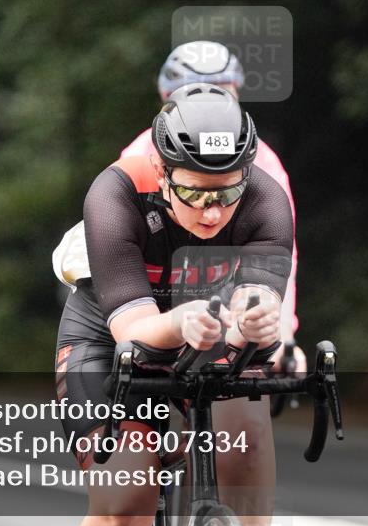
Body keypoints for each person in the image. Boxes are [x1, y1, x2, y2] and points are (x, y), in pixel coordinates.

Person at [55, 85, 292, 526]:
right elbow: (133, 330)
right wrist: (181, 320)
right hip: (113, 339)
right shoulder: (116, 193)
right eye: (194, 192)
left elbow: (258, 302)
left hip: (211, 334)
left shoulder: (266, 199)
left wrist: (255, 319)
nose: (212, 212)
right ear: (162, 171)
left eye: (228, 192)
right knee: (124, 508)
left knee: (248, 459)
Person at [120, 40, 306, 373]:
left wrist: (282, 331)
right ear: (167, 101)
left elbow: (278, 253)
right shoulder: (136, 157)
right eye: (195, 93)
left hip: (230, 297)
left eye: (221, 92)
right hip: (158, 299)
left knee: (245, 417)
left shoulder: (263, 161)